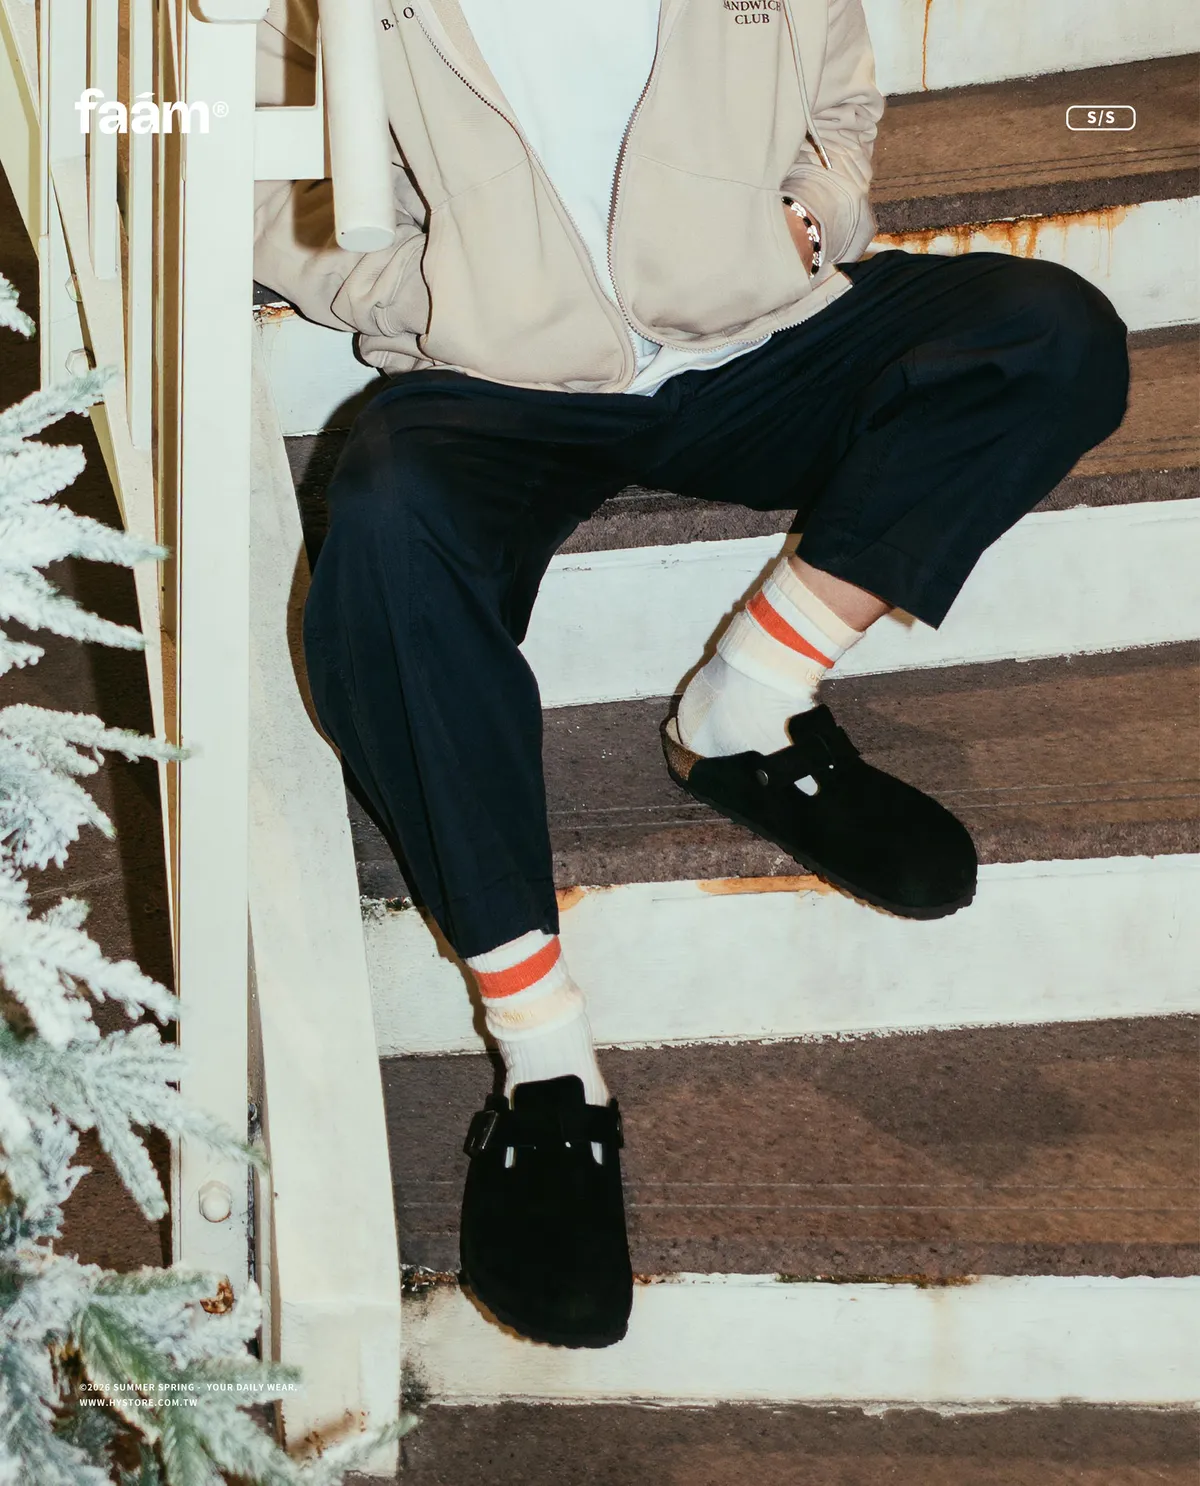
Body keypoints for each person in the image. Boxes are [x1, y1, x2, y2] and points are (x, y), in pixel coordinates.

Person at [254, 0, 1130, 1349]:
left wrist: (816, 218)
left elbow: (838, 91)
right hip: (503, 383)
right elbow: (238, 149)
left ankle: (748, 703)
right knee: (382, 526)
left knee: (1049, 333)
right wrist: (423, 298)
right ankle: (544, 1065)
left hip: (760, 341)